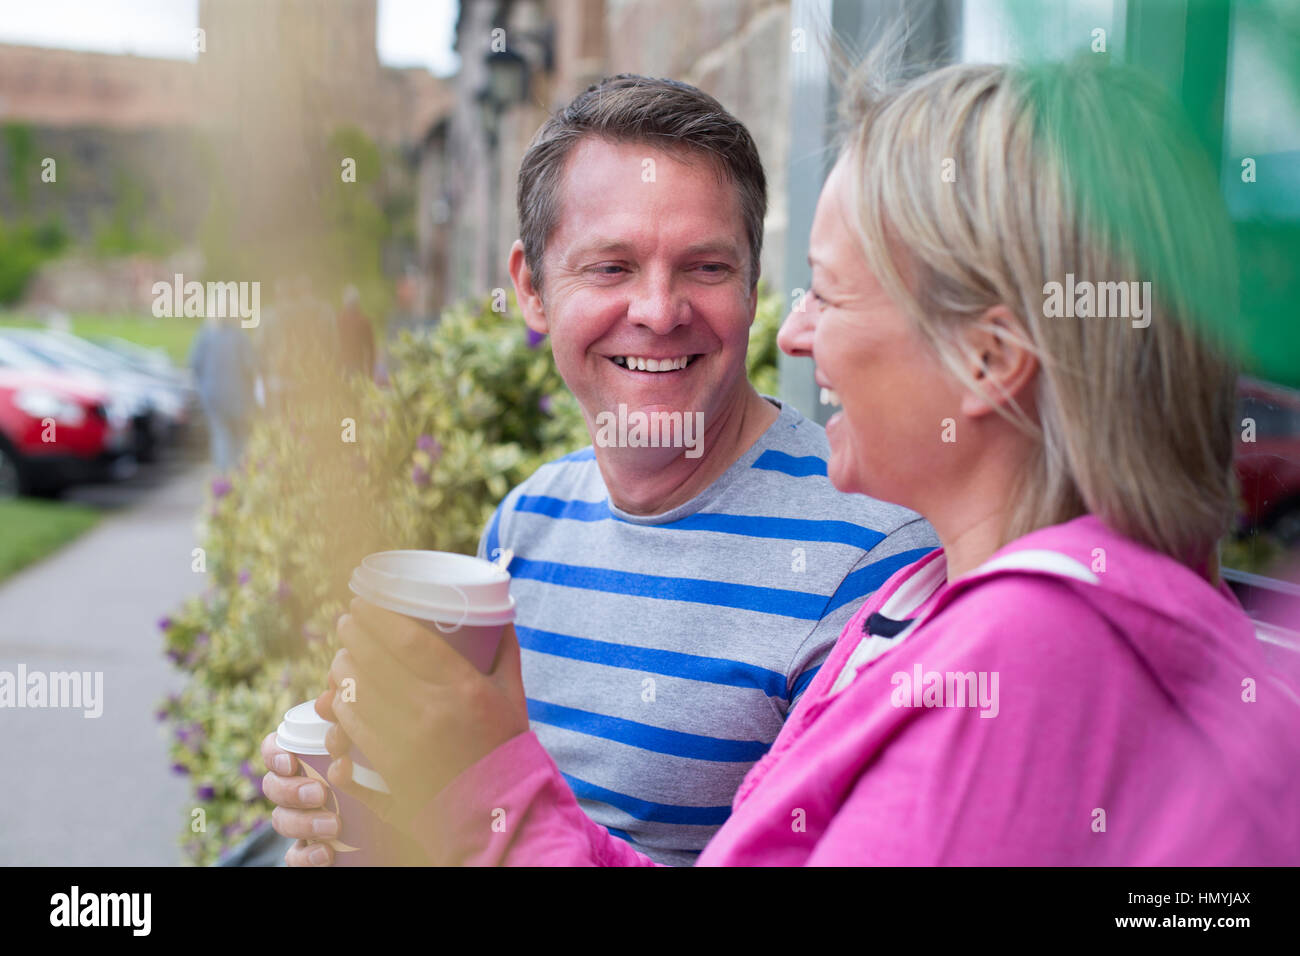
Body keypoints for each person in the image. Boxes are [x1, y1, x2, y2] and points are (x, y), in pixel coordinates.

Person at [308, 55, 1300, 865]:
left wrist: (481, 784)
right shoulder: (931, 598)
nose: (793, 334)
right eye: (610, 266)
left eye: (825, 291)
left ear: (989, 360)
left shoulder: (1024, 653)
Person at [261, 75, 937, 865]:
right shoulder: (525, 523)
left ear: (755, 285)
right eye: (611, 267)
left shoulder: (876, 557)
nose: (658, 310)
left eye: (706, 267)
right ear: (531, 288)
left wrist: (473, 782)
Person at [188, 312, 257, 473]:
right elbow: (250, 366)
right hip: (238, 396)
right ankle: (241, 475)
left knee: (221, 438)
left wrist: (203, 387)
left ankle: (225, 478)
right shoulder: (240, 336)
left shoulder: (205, 335)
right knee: (240, 439)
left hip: (213, 397)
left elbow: (194, 364)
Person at [337, 285, 375, 380]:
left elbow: (370, 347)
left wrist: (370, 370)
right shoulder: (341, 320)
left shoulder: (341, 320)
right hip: (348, 363)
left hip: (353, 364)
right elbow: (371, 347)